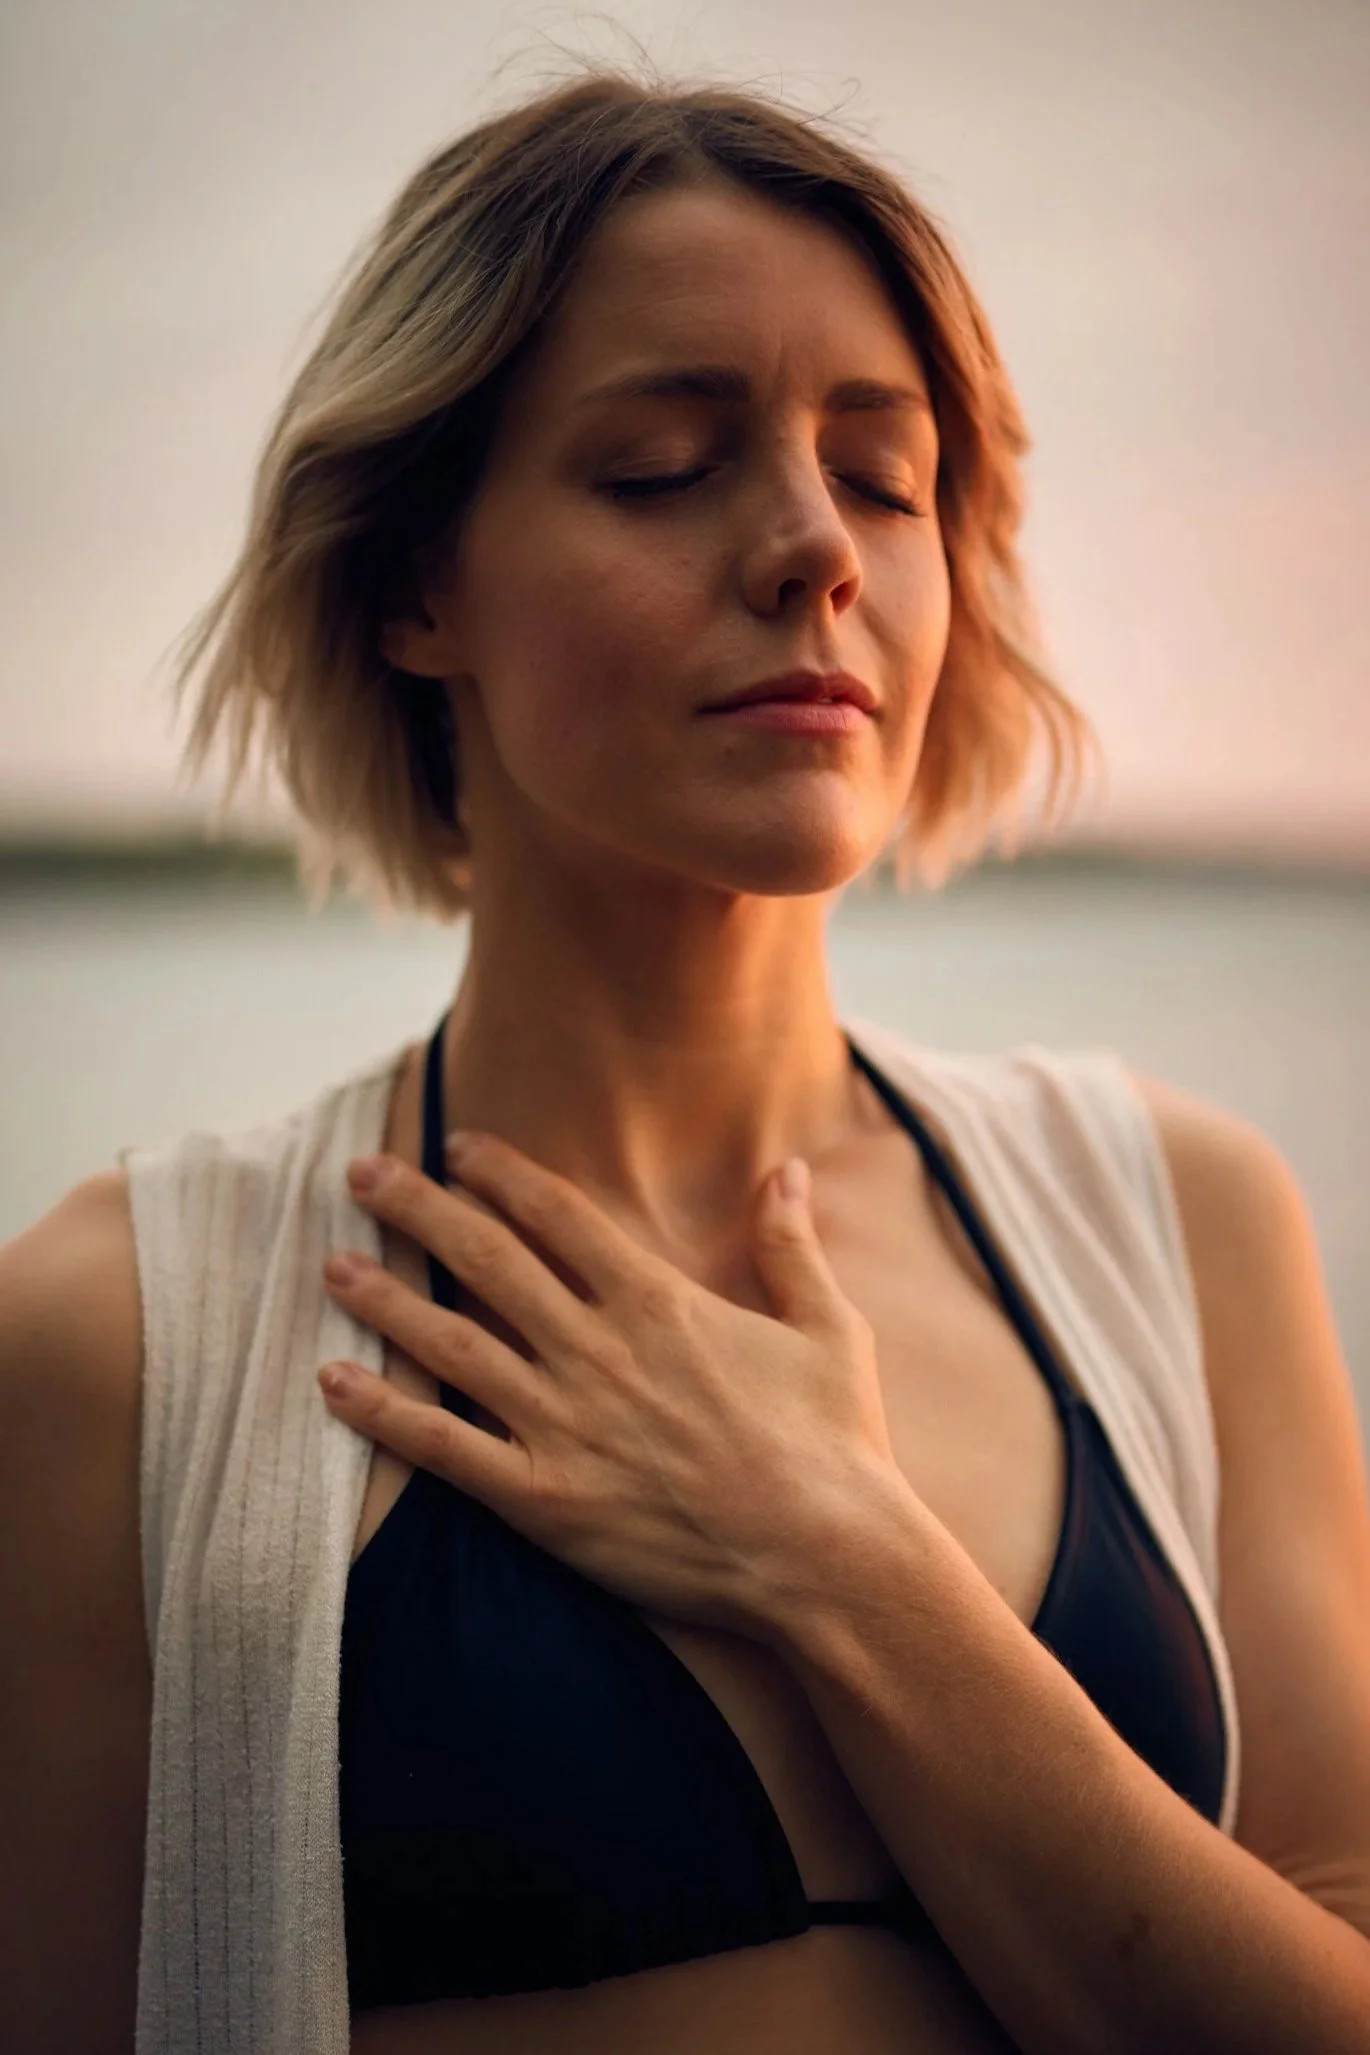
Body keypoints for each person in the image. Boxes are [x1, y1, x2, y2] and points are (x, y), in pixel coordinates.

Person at [5, 63, 1370, 2055]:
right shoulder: (117, 1341)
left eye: (884, 479)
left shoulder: (1179, 1223)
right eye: (660, 466)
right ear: (415, 584)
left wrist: (840, 1555)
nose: (815, 546)